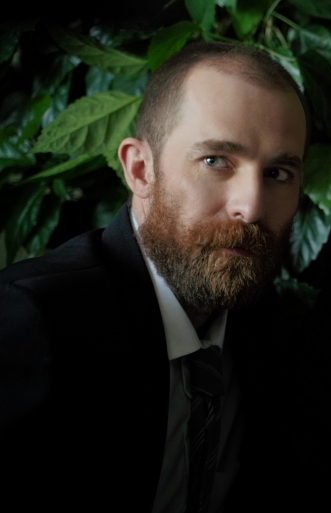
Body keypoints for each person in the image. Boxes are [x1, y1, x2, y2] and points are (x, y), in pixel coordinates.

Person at [0, 42, 309, 511]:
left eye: (279, 173)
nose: (250, 207)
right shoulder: (33, 321)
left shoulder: (269, 326)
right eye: (215, 161)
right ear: (140, 170)